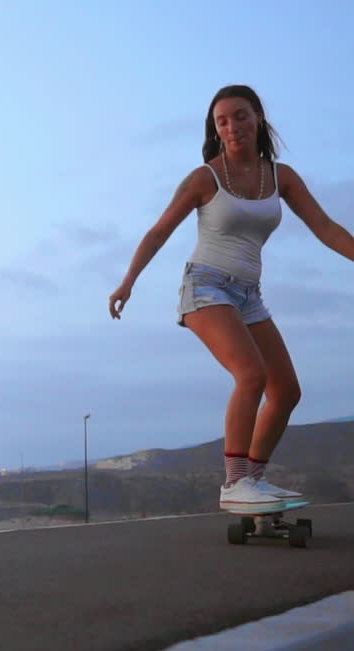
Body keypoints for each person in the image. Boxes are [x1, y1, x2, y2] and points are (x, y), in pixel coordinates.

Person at [109, 84, 354, 513]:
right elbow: (159, 231)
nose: (232, 126)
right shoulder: (206, 177)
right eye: (222, 121)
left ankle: (253, 480)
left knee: (286, 391)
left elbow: (325, 227)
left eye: (240, 116)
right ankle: (235, 481)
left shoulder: (281, 176)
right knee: (251, 374)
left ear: (258, 117)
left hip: (248, 295)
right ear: (215, 130)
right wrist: (128, 280)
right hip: (205, 287)